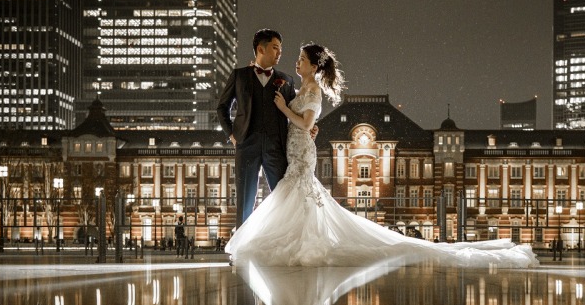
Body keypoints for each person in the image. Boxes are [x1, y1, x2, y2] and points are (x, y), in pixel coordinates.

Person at [225, 43, 537, 269]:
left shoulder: (310, 92)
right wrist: (306, 124)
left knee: (297, 198)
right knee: (295, 199)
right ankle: (295, 244)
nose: (294, 61)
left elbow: (303, 119)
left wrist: (294, 116)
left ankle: (299, 247)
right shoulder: (294, 87)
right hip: (295, 150)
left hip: (302, 154)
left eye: (300, 58)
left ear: (314, 65)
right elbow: (302, 120)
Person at [217, 29, 298, 228]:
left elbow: (295, 111)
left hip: (276, 146)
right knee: (245, 199)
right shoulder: (239, 76)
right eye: (275, 48)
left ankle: (281, 244)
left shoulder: (286, 80)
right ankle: (240, 249)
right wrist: (232, 136)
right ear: (260, 49)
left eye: (281, 49)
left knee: (282, 198)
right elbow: (222, 107)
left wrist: (309, 128)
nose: (280, 53)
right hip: (246, 144)